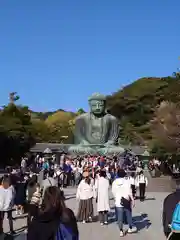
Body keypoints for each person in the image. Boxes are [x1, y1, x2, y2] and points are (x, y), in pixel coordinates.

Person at [112, 169, 137, 237]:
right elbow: (129, 192)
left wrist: (116, 197)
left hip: (118, 201)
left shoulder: (114, 182)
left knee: (120, 217)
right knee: (128, 214)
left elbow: (113, 192)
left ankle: (121, 231)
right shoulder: (127, 181)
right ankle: (130, 228)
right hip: (126, 200)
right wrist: (133, 200)